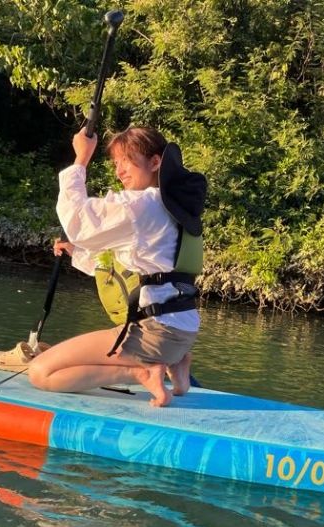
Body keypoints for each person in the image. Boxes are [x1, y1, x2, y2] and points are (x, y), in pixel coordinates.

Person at [28, 126, 205, 406]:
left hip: (156, 333)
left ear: (155, 162)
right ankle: (177, 364)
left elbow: (77, 221)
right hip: (182, 331)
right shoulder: (173, 207)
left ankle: (143, 373)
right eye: (115, 163)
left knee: (41, 372)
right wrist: (78, 254)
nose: (119, 171)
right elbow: (132, 268)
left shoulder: (142, 205)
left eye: (126, 160)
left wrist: (81, 159)